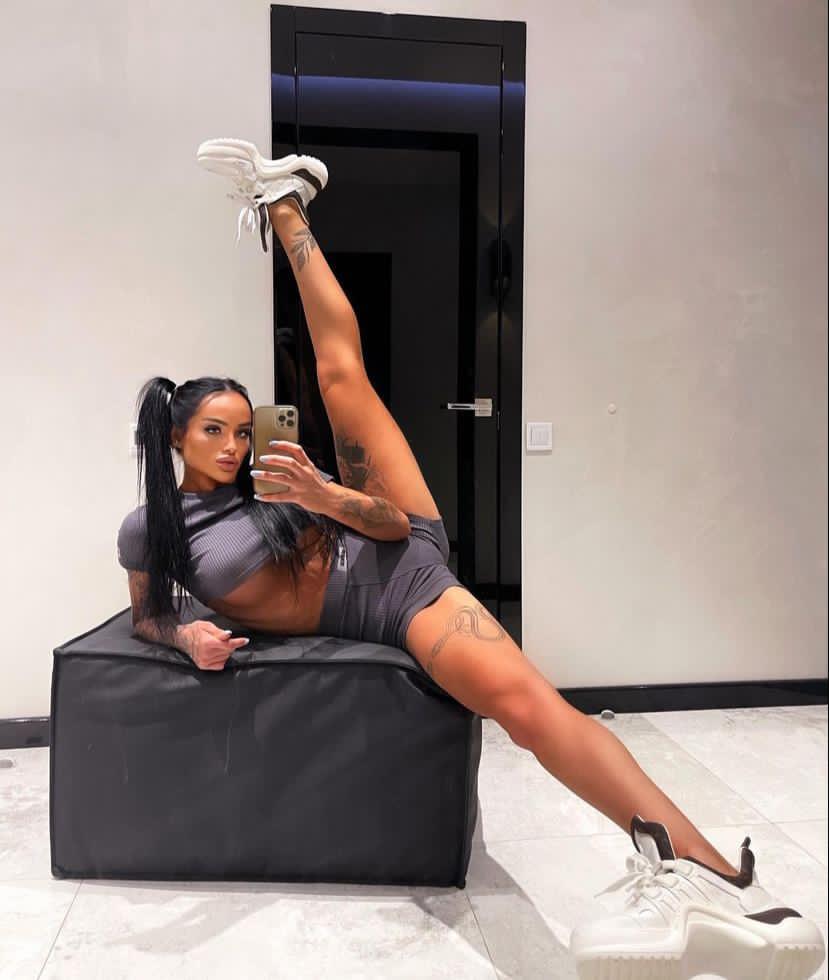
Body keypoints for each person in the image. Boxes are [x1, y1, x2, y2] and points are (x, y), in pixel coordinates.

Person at [116, 138, 824, 980]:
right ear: (175, 436)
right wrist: (185, 635)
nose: (235, 446)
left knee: (343, 382)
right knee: (520, 707)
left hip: (399, 567)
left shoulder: (278, 488)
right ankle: (703, 884)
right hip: (369, 614)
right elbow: (148, 613)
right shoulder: (149, 531)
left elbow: (388, 527)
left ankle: (707, 879)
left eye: (243, 429)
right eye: (214, 431)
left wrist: (323, 495)